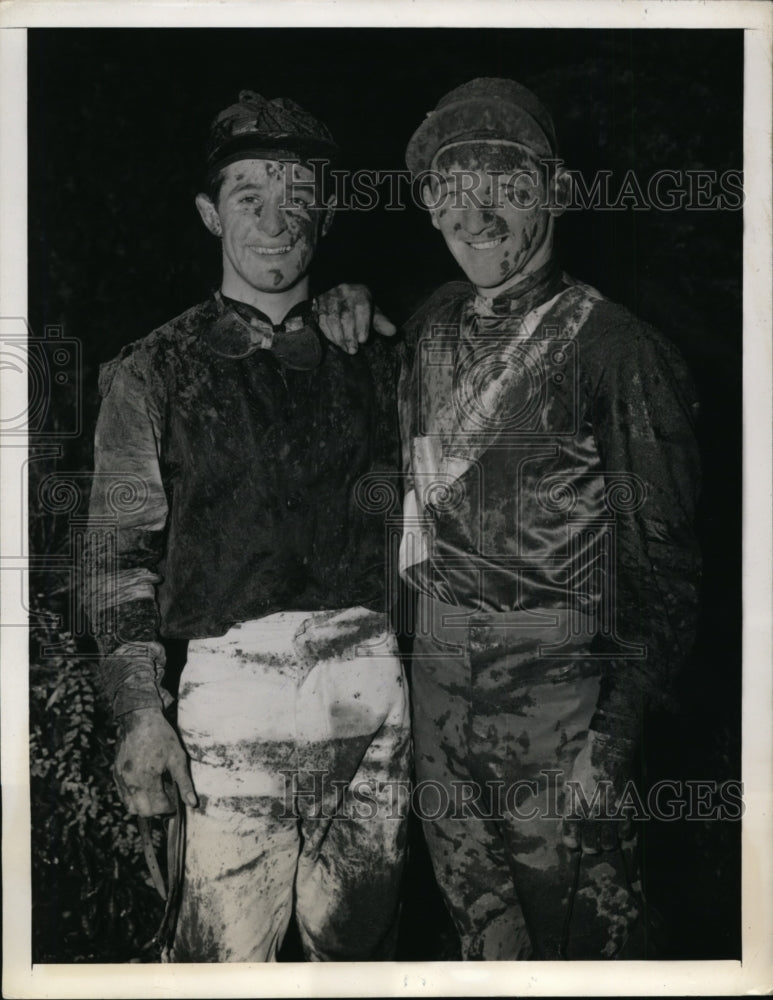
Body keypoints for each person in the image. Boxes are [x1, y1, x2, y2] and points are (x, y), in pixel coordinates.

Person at [325, 77, 702, 960]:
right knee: (482, 941)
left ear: (559, 192)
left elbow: (670, 570)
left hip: (561, 699)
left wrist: (611, 739)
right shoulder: (425, 326)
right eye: (450, 190)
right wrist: (334, 304)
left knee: (584, 947)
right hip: (436, 688)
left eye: (505, 184)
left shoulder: (620, 351)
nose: (476, 213)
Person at [83, 90, 410, 963]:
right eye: (247, 197)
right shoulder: (152, 371)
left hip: (369, 685)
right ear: (208, 213)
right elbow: (119, 560)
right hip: (228, 695)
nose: (275, 221)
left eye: (297, 197)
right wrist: (139, 716)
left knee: (358, 953)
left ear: (328, 212)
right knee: (222, 960)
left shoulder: (378, 354)